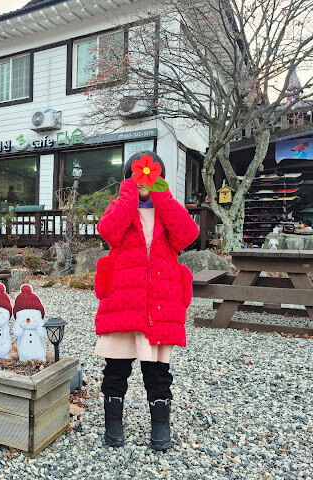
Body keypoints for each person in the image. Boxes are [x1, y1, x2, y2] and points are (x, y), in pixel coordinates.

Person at [94, 151, 199, 450]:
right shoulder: (120, 207)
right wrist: (128, 194)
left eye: (151, 174)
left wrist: (161, 195)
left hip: (159, 305)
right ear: (128, 178)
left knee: (157, 371)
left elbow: (188, 234)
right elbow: (109, 231)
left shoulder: (167, 210)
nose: (144, 180)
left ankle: (160, 426)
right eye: (137, 175)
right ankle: (113, 424)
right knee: (116, 368)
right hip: (123, 301)